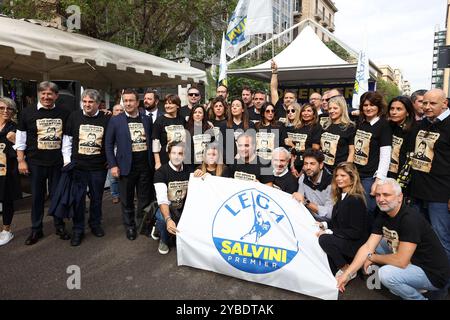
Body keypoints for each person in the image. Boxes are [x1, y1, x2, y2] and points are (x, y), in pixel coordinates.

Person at [336, 179, 450, 300]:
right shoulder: (383, 213)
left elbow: (401, 261)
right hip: (414, 259)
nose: (381, 199)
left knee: (386, 274)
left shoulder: (409, 219)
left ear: (400, 197)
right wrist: (347, 275)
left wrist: (372, 257)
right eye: (378, 195)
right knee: (378, 244)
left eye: (386, 195)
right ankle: (408, 282)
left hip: (433, 274)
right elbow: (368, 247)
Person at [16, 81, 71, 245]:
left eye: (50, 94)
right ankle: (36, 229)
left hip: (57, 163)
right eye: (43, 93)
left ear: (56, 96)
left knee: (57, 196)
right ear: (39, 94)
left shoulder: (64, 113)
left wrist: (67, 160)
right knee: (37, 198)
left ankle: (59, 225)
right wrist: (21, 160)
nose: (46, 96)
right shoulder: (27, 112)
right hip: (35, 162)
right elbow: (21, 139)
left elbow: (67, 139)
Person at [62, 89, 110, 246]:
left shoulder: (106, 118)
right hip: (78, 167)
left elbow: (112, 141)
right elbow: (67, 140)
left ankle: (95, 224)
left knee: (96, 199)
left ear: (98, 104)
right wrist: (67, 161)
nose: (87, 104)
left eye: (91, 102)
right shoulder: (74, 116)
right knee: (78, 200)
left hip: (98, 167)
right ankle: (78, 229)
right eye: (85, 101)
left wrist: (111, 159)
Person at [105, 88, 154, 241]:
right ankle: (130, 226)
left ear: (137, 102)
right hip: (125, 167)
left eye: (131, 100)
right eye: (125, 101)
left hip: (145, 166)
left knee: (144, 199)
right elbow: (108, 144)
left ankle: (141, 224)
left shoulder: (146, 119)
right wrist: (113, 165)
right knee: (126, 200)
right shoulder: (115, 120)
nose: (128, 103)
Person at [409, 88, 450, 262]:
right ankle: (427, 276)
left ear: (445, 104)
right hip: (419, 192)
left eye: (432, 103)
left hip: (440, 195)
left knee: (441, 240)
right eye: (424, 103)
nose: (427, 106)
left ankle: (443, 285)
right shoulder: (422, 124)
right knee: (422, 238)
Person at [317, 162, 369, 276]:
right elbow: (337, 223)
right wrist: (324, 225)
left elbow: (356, 232)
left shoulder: (356, 200)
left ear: (352, 178)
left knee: (324, 239)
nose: (338, 178)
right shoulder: (341, 196)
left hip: (355, 245)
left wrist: (329, 232)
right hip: (343, 240)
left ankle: (347, 269)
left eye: (343, 176)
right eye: (337, 176)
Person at [354, 91, 392, 217]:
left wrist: (378, 181)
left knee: (368, 211)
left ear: (379, 107)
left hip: (370, 177)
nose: (368, 108)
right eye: (365, 105)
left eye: (372, 105)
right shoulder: (360, 123)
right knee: (356, 210)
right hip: (356, 175)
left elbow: (385, 155)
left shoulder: (383, 125)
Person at [154, 142, 193, 254]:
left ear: (184, 156)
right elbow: (162, 199)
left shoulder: (189, 170)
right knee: (163, 218)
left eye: (180, 153)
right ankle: (163, 239)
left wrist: (202, 175)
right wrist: (168, 219)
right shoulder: (161, 172)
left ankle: (161, 228)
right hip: (167, 208)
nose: (177, 156)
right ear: (169, 155)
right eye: (174, 153)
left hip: (182, 208)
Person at [0, 98, 21, 246]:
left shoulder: (15, 128)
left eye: (9, 109)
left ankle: (6, 231)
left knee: (6, 199)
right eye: (2, 108)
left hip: (6, 170)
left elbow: (23, 150)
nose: (5, 111)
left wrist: (15, 141)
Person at [294, 149, 333, 222]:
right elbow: (299, 202)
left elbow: (329, 214)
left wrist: (307, 202)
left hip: (326, 224)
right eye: (306, 164)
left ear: (321, 165)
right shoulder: (303, 178)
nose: (308, 167)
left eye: (312, 164)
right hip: (308, 220)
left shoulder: (331, 183)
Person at [321, 96, 356, 171]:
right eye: (330, 108)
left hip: (340, 170)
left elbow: (352, 152)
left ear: (342, 109)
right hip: (324, 169)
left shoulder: (349, 127)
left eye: (335, 108)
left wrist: (346, 169)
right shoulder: (325, 125)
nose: (332, 111)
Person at [285, 103, 321, 176]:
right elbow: (293, 149)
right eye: (304, 111)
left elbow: (314, 151)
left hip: (307, 167)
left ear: (314, 114)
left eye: (309, 111)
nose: (306, 113)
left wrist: (303, 170)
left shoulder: (316, 127)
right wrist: (292, 166)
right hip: (294, 165)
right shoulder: (298, 126)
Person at [152, 94, 186, 169]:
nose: (167, 106)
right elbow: (155, 142)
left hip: (180, 157)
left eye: (170, 103)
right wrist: (157, 162)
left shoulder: (182, 119)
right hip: (165, 158)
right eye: (166, 103)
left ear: (177, 106)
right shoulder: (160, 120)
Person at [387, 96, 416, 180]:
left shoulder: (414, 130)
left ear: (407, 112)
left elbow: (410, 160)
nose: (394, 112)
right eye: (392, 109)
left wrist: (401, 181)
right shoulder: (388, 126)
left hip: (402, 178)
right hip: (386, 173)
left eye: (399, 109)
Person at [220, 98, 254, 163]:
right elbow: (221, 146)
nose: (234, 107)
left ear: (243, 109)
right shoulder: (224, 125)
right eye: (232, 106)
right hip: (228, 162)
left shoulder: (250, 125)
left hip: (246, 162)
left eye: (237, 106)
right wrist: (230, 160)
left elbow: (253, 145)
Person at [107, 104, 124, 204]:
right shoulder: (108, 122)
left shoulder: (126, 121)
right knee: (113, 178)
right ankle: (115, 195)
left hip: (123, 154)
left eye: (121, 110)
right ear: (112, 112)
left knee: (124, 177)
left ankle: (124, 194)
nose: (119, 112)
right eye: (116, 110)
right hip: (112, 153)